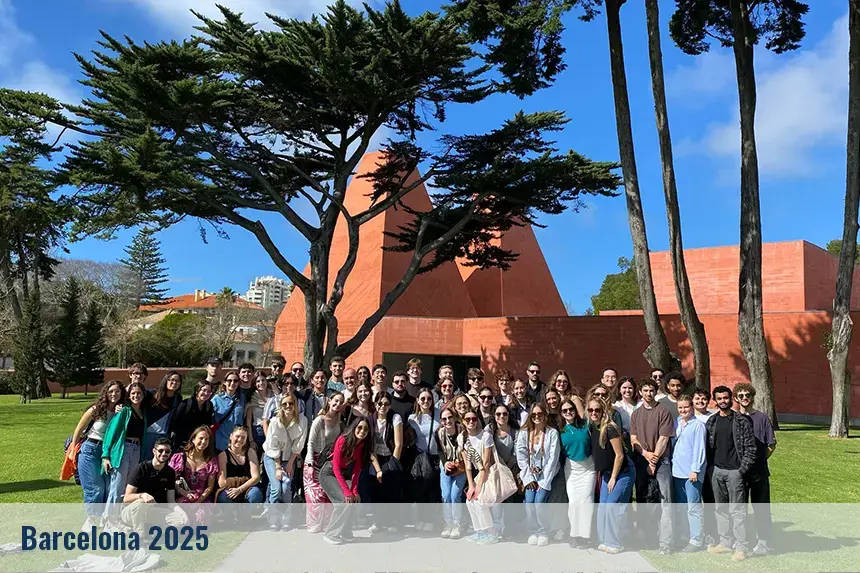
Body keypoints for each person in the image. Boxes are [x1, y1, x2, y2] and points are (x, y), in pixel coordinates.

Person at [705, 386, 756, 562]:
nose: (723, 401)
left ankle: (741, 546)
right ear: (715, 400)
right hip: (717, 471)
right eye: (719, 398)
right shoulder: (711, 421)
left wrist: (742, 471)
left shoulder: (741, 421)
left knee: (738, 511)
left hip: (736, 472)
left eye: (726, 398)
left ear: (731, 398)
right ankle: (725, 542)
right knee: (720, 509)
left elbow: (751, 448)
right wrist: (711, 469)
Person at [68, 380, 125, 527]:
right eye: (111, 391)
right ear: (105, 393)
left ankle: (103, 519)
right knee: (95, 488)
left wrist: (120, 413)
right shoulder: (96, 409)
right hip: (90, 449)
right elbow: (79, 429)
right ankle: (91, 520)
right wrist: (73, 449)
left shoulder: (121, 410)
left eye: (117, 391)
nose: (114, 394)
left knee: (107, 487)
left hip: (109, 453)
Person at [629, 378, 674, 554]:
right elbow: (634, 439)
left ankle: (666, 543)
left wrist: (654, 460)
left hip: (662, 463)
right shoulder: (636, 414)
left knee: (665, 502)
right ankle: (645, 539)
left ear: (656, 392)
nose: (648, 393)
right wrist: (646, 456)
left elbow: (664, 438)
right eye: (645, 390)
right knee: (643, 501)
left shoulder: (663, 411)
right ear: (640, 392)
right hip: (642, 461)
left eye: (651, 390)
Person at [588, 397, 635, 554]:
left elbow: (619, 455)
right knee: (602, 508)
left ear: (603, 411)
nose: (593, 413)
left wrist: (614, 478)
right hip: (608, 473)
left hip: (622, 473)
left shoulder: (610, 428)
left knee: (611, 507)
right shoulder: (593, 427)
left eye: (597, 410)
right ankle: (604, 540)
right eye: (590, 410)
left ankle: (615, 543)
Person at [734, 382, 776, 556]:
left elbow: (771, 445)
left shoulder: (762, 418)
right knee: (739, 509)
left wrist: (758, 461)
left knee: (761, 508)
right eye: (741, 395)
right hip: (738, 472)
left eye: (747, 395)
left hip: (759, 472)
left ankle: (764, 543)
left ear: (752, 397)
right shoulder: (733, 418)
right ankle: (740, 541)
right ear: (736, 398)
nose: (745, 398)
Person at [319, 418, 373, 545]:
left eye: (365, 429)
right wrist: (346, 491)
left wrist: (354, 490)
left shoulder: (361, 445)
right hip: (329, 473)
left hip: (344, 474)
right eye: (359, 428)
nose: (362, 431)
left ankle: (345, 532)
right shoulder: (342, 440)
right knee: (343, 501)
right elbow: (336, 467)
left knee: (354, 500)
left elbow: (357, 469)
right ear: (354, 427)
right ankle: (331, 534)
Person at [101, 381, 147, 528]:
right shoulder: (124, 411)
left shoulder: (143, 412)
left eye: (139, 393)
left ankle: (119, 518)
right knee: (117, 486)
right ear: (128, 395)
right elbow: (111, 433)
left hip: (136, 449)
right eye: (133, 393)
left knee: (129, 486)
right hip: (123, 449)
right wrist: (106, 455)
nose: (136, 396)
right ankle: (109, 520)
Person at [516, 403, 561, 546]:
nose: (537, 417)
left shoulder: (551, 433)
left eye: (540, 414)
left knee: (539, 502)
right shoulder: (524, 433)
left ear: (545, 416)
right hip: (530, 473)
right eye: (534, 415)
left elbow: (553, 459)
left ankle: (543, 531)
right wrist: (528, 477)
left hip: (547, 473)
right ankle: (533, 531)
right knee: (529, 502)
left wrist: (544, 481)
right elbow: (521, 456)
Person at [120, 439, 188, 532]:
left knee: (181, 520)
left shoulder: (170, 472)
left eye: (167, 451)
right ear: (154, 451)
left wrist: (182, 514)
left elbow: (171, 501)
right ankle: (140, 537)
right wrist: (142, 495)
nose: (164, 453)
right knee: (141, 503)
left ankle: (152, 531)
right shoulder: (141, 469)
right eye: (160, 451)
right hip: (132, 511)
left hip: (153, 511)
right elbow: (126, 498)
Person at [262, 394, 308, 529]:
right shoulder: (275, 422)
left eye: (291, 403)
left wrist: (289, 464)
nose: (288, 406)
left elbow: (299, 444)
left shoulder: (302, 421)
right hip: (272, 458)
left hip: (289, 458)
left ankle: (286, 518)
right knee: (276, 488)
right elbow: (272, 445)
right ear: (281, 406)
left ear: (295, 404)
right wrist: (277, 467)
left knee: (286, 487)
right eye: (285, 404)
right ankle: (273, 519)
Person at [304, 393, 345, 532]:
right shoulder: (319, 420)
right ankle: (313, 524)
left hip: (328, 461)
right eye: (336, 400)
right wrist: (309, 463)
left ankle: (327, 524)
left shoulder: (339, 419)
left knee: (327, 493)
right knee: (315, 496)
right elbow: (310, 443)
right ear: (329, 401)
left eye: (341, 402)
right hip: (314, 459)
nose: (338, 404)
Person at [671, 395, 707, 553]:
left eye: (686, 407)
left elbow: (700, 448)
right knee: (681, 505)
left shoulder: (698, 425)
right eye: (680, 407)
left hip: (691, 473)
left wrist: (695, 469)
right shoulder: (677, 422)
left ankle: (696, 539)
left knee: (693, 506)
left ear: (692, 407)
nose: (683, 410)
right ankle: (685, 535)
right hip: (677, 471)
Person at [558, 397, 594, 548]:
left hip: (588, 468)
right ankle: (574, 533)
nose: (568, 412)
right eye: (565, 410)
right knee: (574, 503)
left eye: (570, 409)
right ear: (561, 413)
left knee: (586, 501)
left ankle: (584, 536)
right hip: (572, 469)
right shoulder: (560, 431)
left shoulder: (585, 426)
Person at [462, 409, 500, 545]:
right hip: (477, 475)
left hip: (488, 473)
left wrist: (478, 488)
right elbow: (467, 465)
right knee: (469, 501)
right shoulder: (462, 438)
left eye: (474, 419)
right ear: (463, 421)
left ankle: (492, 533)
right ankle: (480, 532)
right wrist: (471, 485)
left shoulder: (485, 436)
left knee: (480, 501)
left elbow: (486, 462)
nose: (471, 421)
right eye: (468, 419)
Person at [407, 388, 441, 531]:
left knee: (434, 489)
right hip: (421, 456)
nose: (426, 401)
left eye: (429, 398)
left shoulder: (438, 414)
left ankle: (432, 520)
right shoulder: (412, 418)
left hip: (438, 456)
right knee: (421, 487)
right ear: (418, 400)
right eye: (423, 399)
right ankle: (421, 519)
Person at [169, 426, 219, 524]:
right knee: (182, 514)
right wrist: (182, 491)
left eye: (207, 439)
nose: (204, 442)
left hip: (202, 498)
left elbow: (210, 486)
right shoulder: (179, 457)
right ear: (193, 439)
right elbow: (169, 480)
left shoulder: (211, 461)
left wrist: (198, 502)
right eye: (201, 438)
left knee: (201, 516)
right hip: (182, 495)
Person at [369, 392, 404, 534]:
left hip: (391, 457)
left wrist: (391, 465)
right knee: (376, 490)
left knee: (391, 490)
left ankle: (393, 521)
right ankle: (378, 521)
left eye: (386, 404)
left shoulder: (395, 418)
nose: (382, 406)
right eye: (379, 403)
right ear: (375, 404)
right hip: (376, 458)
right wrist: (378, 470)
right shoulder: (371, 420)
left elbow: (398, 444)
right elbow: (370, 448)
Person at [487, 403, 520, 538]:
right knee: (496, 500)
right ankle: (497, 528)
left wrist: (509, 465)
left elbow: (517, 450)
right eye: (498, 414)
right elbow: (489, 449)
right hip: (495, 470)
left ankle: (509, 528)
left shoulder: (515, 431)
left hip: (511, 470)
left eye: (505, 414)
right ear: (494, 416)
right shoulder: (489, 430)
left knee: (510, 499)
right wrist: (500, 464)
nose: (502, 416)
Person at [436, 405, 465, 539]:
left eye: (450, 418)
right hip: (446, 465)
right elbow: (440, 450)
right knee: (446, 495)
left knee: (455, 495)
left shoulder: (462, 431)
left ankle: (457, 524)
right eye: (444, 419)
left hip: (460, 466)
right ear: (441, 421)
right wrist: (445, 462)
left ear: (454, 418)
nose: (448, 421)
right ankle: (448, 523)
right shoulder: (439, 433)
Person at [217, 425, 264, 504]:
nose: (239, 440)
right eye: (237, 436)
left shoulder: (250, 452)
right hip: (230, 488)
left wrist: (239, 489)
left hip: (247, 487)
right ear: (231, 436)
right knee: (225, 496)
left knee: (255, 494)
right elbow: (221, 482)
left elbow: (256, 477)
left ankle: (246, 514)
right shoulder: (223, 455)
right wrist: (235, 487)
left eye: (243, 437)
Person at [143, 372, 183, 462]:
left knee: (160, 462)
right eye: (171, 380)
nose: (174, 383)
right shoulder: (152, 394)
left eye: (177, 381)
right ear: (165, 380)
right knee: (146, 462)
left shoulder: (178, 398)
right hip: (148, 434)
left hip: (164, 435)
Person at [169, 380, 214, 450]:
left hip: (198, 443)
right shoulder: (186, 404)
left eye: (209, 391)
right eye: (204, 390)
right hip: (182, 442)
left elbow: (207, 425)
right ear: (197, 391)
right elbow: (174, 422)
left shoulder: (209, 405)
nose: (206, 393)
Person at [211, 372, 246, 452]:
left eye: (235, 381)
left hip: (237, 441)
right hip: (221, 441)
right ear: (224, 382)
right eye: (229, 380)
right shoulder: (216, 399)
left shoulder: (242, 398)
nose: (232, 383)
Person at [245, 373, 274, 450]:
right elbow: (248, 421)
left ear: (267, 381)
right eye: (258, 381)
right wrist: (251, 441)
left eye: (263, 380)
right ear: (254, 384)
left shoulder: (274, 396)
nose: (261, 383)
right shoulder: (252, 398)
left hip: (273, 430)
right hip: (258, 432)